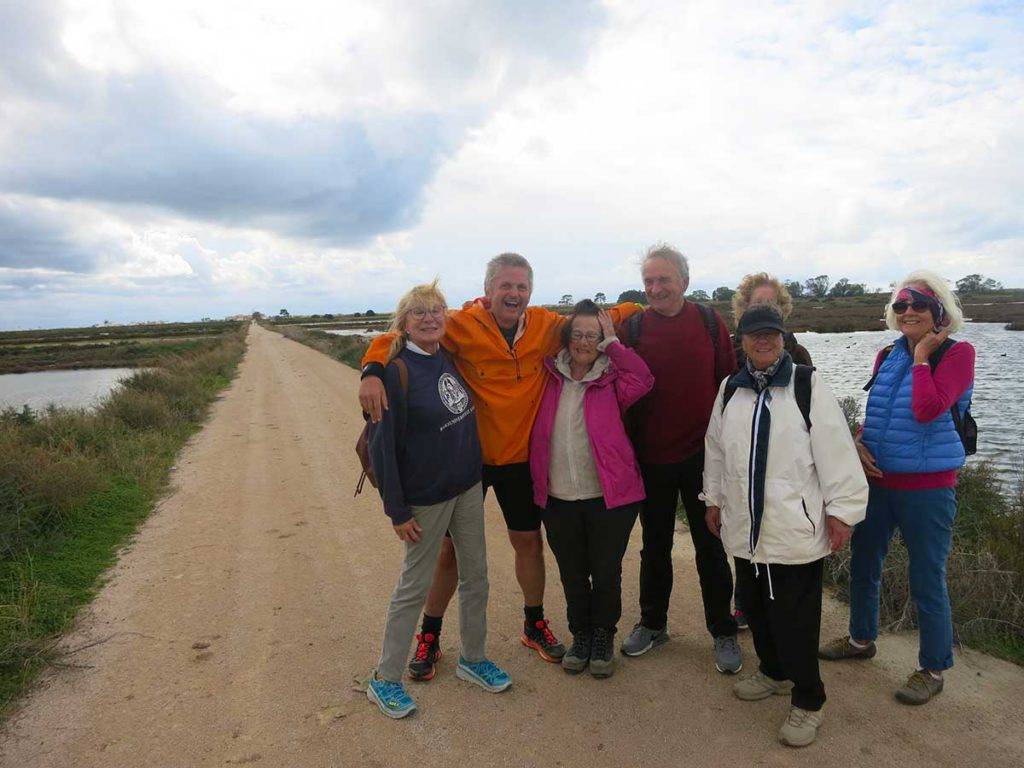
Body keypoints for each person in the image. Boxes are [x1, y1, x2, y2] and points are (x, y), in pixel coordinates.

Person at [359, 253, 642, 678]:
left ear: (531, 290)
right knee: (448, 552)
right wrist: (371, 370)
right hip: (470, 460)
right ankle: (430, 634)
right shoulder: (460, 324)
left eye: (521, 287)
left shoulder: (548, 325)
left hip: (521, 459)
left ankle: (534, 623)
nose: (513, 294)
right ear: (488, 291)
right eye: (505, 286)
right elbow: (401, 332)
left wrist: (641, 308)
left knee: (528, 543)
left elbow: (607, 316)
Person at [702, 304, 867, 747]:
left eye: (771, 334)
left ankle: (809, 700)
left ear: (782, 336)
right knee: (754, 609)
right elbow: (715, 451)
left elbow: (837, 454)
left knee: (796, 620)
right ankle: (773, 672)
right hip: (745, 532)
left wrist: (843, 513)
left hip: (794, 531)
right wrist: (713, 499)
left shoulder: (807, 385)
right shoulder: (728, 391)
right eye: (754, 334)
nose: (763, 341)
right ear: (741, 340)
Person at [819, 270, 976, 706]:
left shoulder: (958, 355)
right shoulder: (887, 355)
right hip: (878, 482)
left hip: (928, 488)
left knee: (927, 576)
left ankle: (932, 667)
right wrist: (856, 439)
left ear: (939, 312)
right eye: (902, 305)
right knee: (865, 563)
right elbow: (882, 414)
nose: (908, 311)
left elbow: (927, 410)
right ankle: (860, 639)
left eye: (920, 304)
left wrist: (923, 355)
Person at [366, 281, 510, 719]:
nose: (430, 318)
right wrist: (397, 510)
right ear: (404, 322)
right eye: (419, 312)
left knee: (477, 576)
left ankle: (473, 657)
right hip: (425, 498)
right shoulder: (394, 371)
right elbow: (381, 448)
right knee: (413, 587)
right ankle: (385, 679)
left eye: (436, 310)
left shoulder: (447, 355)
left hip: (467, 486)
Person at [619, 244, 743, 675]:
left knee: (711, 545)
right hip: (650, 457)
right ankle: (652, 624)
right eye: (649, 281)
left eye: (664, 280)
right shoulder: (632, 329)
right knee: (655, 546)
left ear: (684, 282)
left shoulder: (709, 322)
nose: (656, 288)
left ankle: (722, 629)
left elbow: (730, 387)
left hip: (702, 458)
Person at [529, 302, 654, 678]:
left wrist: (614, 344)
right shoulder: (547, 375)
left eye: (593, 336)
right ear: (567, 337)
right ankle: (580, 634)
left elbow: (645, 378)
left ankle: (603, 635)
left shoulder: (614, 377)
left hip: (609, 497)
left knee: (605, 571)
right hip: (558, 496)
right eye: (578, 334)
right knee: (571, 571)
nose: (585, 342)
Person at [728, 273, 813, 629]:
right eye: (756, 304)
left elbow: (813, 415)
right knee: (745, 537)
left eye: (771, 305)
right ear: (743, 310)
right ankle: (747, 605)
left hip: (783, 469)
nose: (764, 311)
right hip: (743, 463)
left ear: (783, 310)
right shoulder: (735, 353)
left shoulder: (800, 356)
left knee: (780, 538)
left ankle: (782, 613)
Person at [731, 273, 812, 368]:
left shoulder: (798, 354)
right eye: (758, 303)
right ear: (744, 308)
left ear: (782, 309)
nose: (764, 308)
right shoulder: (730, 352)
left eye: (771, 303)